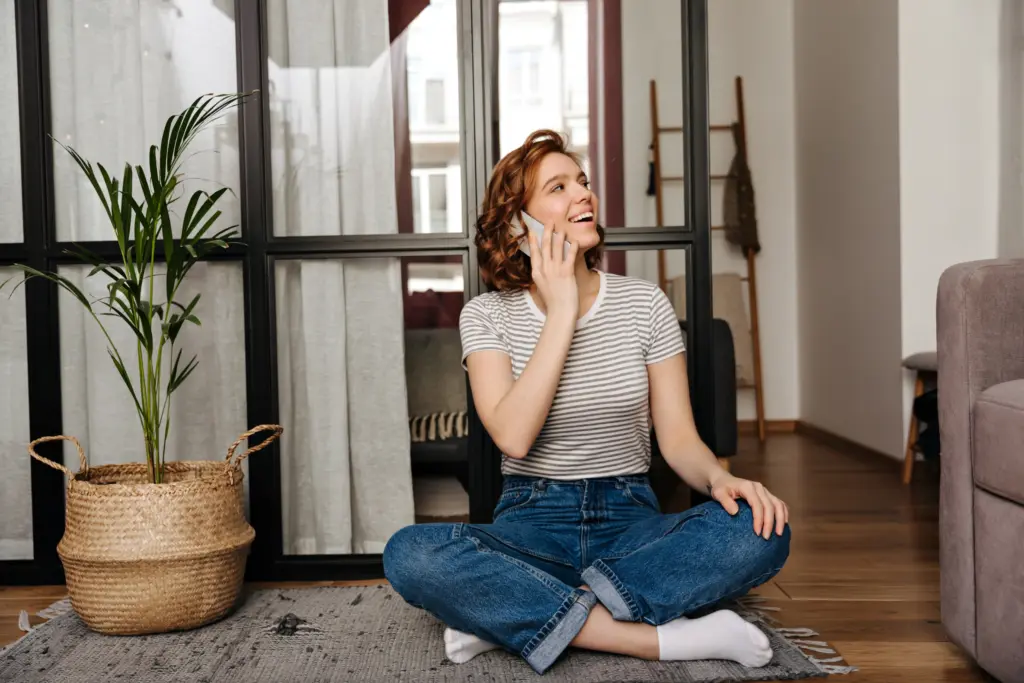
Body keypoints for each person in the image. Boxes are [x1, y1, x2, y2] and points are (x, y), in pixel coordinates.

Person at [383, 130, 791, 676]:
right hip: (531, 522)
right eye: (559, 186)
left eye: (583, 181)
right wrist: (560, 310)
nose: (584, 194)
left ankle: (511, 619)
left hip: (630, 520)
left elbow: (678, 440)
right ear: (518, 225)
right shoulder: (486, 315)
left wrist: (721, 482)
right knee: (409, 554)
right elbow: (513, 436)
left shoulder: (644, 302)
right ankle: (660, 640)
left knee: (764, 530)